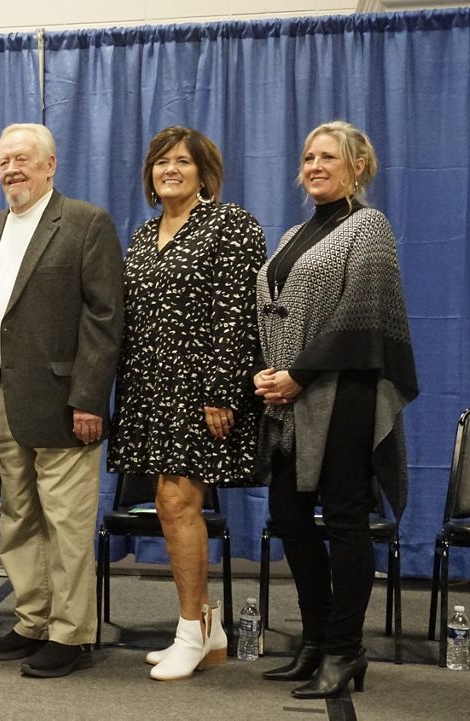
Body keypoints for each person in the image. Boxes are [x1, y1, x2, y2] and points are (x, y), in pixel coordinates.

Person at [254, 120, 418, 698]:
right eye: (308, 157)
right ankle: (316, 640)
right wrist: (272, 374)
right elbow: (274, 312)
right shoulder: (294, 233)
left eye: (329, 157)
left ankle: (347, 650)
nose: (315, 166)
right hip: (288, 403)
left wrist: (297, 374)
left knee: (345, 521)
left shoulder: (368, 227)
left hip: (345, 396)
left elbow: (359, 318)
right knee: (291, 520)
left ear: (358, 168)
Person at [0, 123, 123, 678]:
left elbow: (104, 320)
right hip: (2, 394)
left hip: (63, 402)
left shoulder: (85, 222)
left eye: (23, 159)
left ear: (50, 165)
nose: (12, 169)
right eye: (4, 160)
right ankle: (33, 619)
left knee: (68, 522)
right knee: (19, 518)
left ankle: (72, 631)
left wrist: (89, 401)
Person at [106, 126, 266, 680]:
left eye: (182, 162)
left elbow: (239, 315)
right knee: (170, 504)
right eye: (160, 162)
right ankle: (212, 629)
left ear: (204, 172)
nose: (169, 170)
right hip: (149, 391)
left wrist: (223, 393)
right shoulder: (144, 234)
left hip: (201, 394)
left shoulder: (231, 225)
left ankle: (190, 630)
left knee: (178, 506)